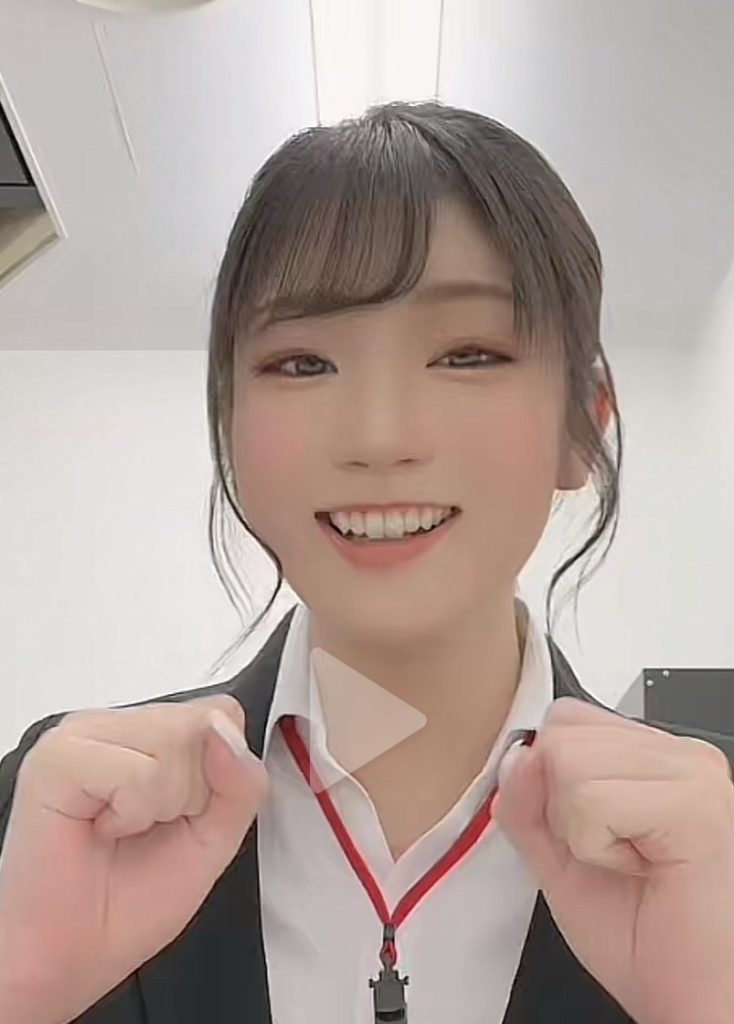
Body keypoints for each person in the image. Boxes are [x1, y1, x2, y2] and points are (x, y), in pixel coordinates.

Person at [0, 100, 732, 1024]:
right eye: (303, 363)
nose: (379, 436)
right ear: (230, 422)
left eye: (468, 354)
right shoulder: (52, 808)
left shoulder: (716, 837)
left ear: (583, 424)